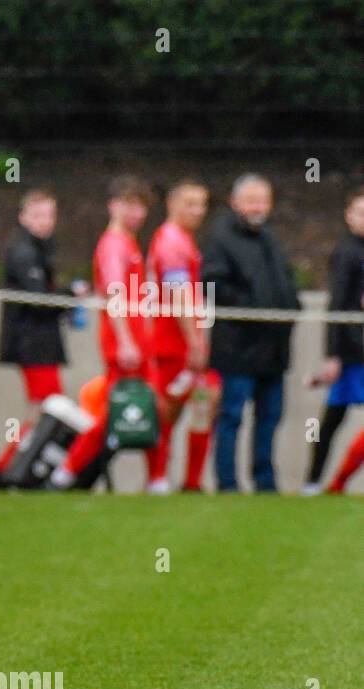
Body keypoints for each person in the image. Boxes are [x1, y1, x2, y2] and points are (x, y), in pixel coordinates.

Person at [49, 176, 155, 490]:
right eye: (130, 205)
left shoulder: (129, 243)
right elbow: (113, 294)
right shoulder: (113, 245)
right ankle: (67, 471)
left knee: (133, 407)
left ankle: (71, 472)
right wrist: (125, 340)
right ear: (114, 206)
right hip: (124, 341)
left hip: (134, 338)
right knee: (118, 408)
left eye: (141, 206)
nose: (137, 213)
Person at [202, 174, 300, 492]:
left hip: (274, 349)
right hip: (237, 347)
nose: (258, 207)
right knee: (232, 416)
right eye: (251, 200)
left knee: (270, 417)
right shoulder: (221, 238)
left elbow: (284, 283)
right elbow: (212, 285)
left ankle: (264, 480)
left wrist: (290, 309)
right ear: (235, 203)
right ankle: (227, 483)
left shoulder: (271, 238)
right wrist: (253, 309)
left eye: (263, 200)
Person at [145, 180, 220, 493]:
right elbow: (178, 296)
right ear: (172, 204)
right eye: (190, 203)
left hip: (185, 342)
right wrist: (194, 341)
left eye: (201, 204)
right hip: (171, 343)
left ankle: (190, 481)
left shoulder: (184, 240)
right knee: (167, 410)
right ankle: (159, 477)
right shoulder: (171, 242)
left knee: (206, 398)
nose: (197, 211)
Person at [0, 188, 65, 484]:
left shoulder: (39, 249)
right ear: (23, 217)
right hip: (33, 344)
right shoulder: (23, 250)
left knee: (45, 408)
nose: (45, 221)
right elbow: (39, 300)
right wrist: (69, 296)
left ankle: (9, 468)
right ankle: (7, 467)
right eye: (38, 214)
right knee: (47, 408)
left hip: (39, 344)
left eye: (49, 215)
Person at [304, 187, 364, 495]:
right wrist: (333, 354)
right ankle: (315, 482)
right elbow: (337, 305)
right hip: (352, 354)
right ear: (349, 216)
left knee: (332, 421)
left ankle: (332, 482)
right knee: (330, 422)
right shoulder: (347, 253)